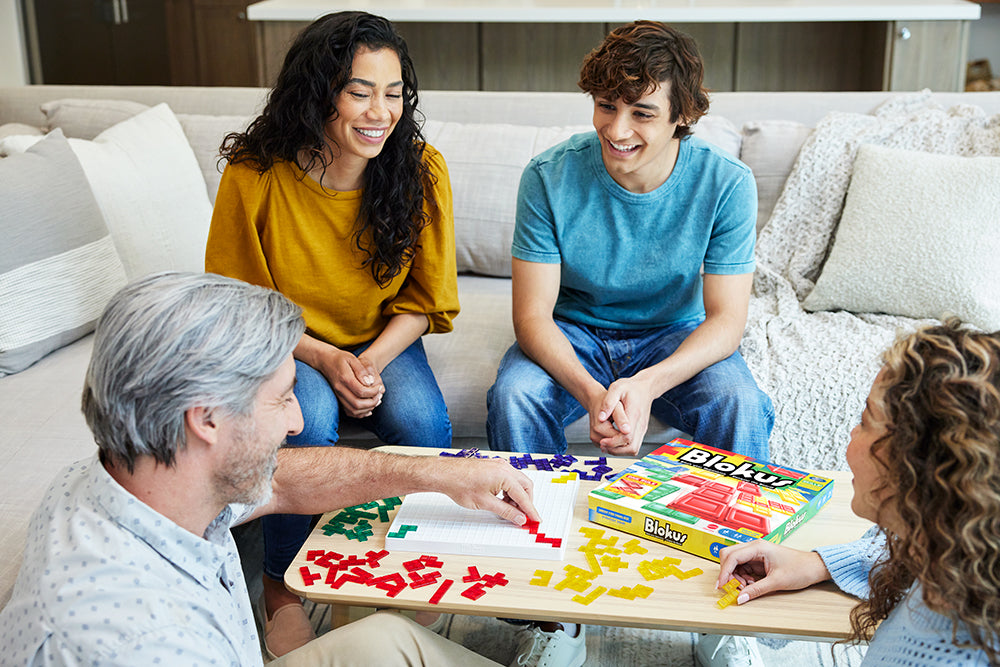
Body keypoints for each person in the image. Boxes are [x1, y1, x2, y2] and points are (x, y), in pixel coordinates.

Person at [0, 272, 537, 667]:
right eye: (283, 400)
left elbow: (280, 479)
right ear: (206, 418)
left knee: (388, 641)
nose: (299, 419)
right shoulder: (145, 643)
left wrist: (440, 476)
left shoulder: (133, 476)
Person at [485, 21, 774, 667]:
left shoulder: (725, 183)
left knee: (741, 405)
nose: (617, 129)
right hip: (575, 331)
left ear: (682, 118)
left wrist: (646, 386)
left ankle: (728, 606)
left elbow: (726, 320)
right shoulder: (549, 175)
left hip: (675, 334)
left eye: (642, 112)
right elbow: (532, 318)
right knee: (514, 395)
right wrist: (593, 393)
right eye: (606, 106)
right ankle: (549, 613)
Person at [205, 12, 459, 654]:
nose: (381, 111)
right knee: (305, 423)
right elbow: (239, 300)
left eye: (394, 92)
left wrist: (366, 363)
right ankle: (282, 589)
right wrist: (324, 357)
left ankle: (400, 574)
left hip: (381, 337)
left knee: (425, 425)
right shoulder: (255, 175)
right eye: (360, 90)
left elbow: (426, 301)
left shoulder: (422, 170)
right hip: (284, 341)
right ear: (320, 92)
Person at [707, 320, 1000, 667]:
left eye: (865, 419)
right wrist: (817, 563)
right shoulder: (959, 548)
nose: (851, 431)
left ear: (918, 465)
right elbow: (889, 545)